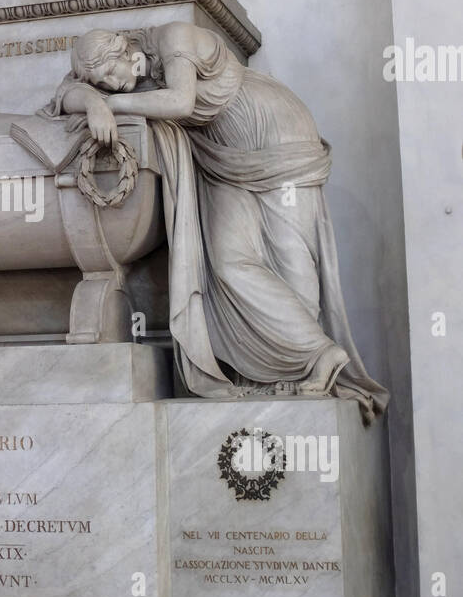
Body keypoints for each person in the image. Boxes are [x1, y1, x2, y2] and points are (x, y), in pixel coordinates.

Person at [41, 21, 388, 421]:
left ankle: (307, 368)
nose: (113, 87)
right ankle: (315, 353)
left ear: (122, 50)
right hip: (221, 156)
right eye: (102, 85)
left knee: (291, 258)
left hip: (274, 133)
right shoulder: (118, 79)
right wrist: (92, 102)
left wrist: (109, 106)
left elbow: (181, 102)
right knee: (227, 261)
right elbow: (64, 93)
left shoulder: (174, 38)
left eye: (109, 77)